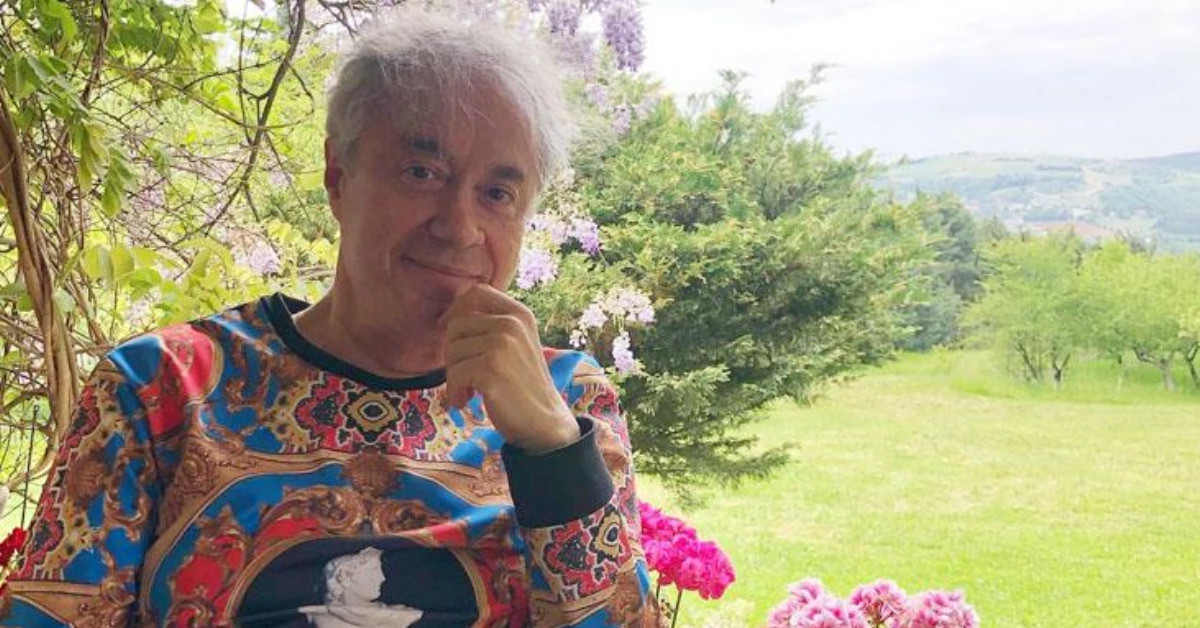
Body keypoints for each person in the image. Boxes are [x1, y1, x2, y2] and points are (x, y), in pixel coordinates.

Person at [1, 7, 659, 627]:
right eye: (422, 172)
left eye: (497, 193)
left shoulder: (567, 402)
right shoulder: (162, 387)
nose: (460, 227)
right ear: (338, 177)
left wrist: (553, 453)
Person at [298, 547, 423, 627]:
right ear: (345, 576)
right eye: (373, 571)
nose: (382, 578)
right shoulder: (322, 617)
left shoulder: (402, 613)